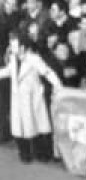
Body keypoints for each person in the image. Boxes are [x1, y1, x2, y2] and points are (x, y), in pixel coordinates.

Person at [0, 34, 62, 162]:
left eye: (14, 45)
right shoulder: (13, 59)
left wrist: (58, 85)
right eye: (11, 45)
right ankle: (25, 154)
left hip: (32, 98)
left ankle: (43, 154)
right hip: (18, 98)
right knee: (19, 127)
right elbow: (7, 71)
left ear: (23, 47)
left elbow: (47, 72)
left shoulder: (34, 59)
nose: (12, 48)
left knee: (36, 125)